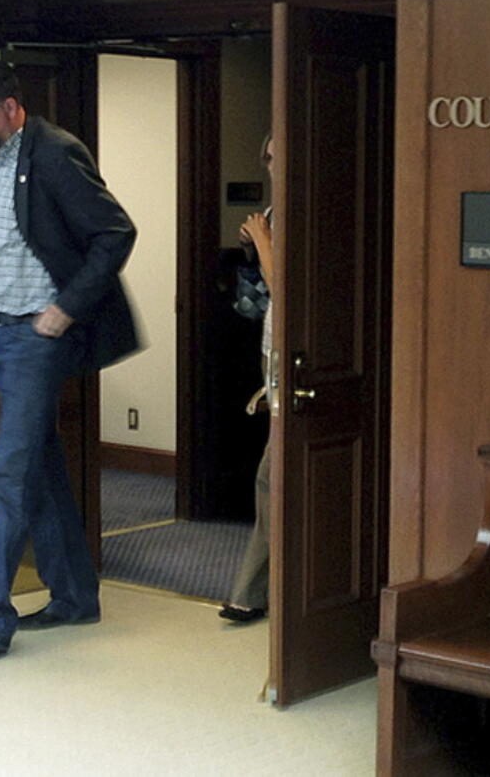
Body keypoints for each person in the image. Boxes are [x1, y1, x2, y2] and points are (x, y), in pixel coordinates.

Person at [0, 58, 139, 666]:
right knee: (38, 468)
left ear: (11, 106)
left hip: (36, 337)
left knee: (9, 474)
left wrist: (67, 307)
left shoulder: (53, 153)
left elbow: (115, 232)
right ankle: (74, 596)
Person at [220, 133, 276, 625]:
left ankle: (251, 591)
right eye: (272, 158)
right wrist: (252, 246)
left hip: (298, 358)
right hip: (270, 350)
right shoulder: (275, 211)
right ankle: (256, 590)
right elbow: (260, 295)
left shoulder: (311, 208)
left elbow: (288, 287)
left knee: (271, 475)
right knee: (272, 476)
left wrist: (263, 242)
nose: (278, 166)